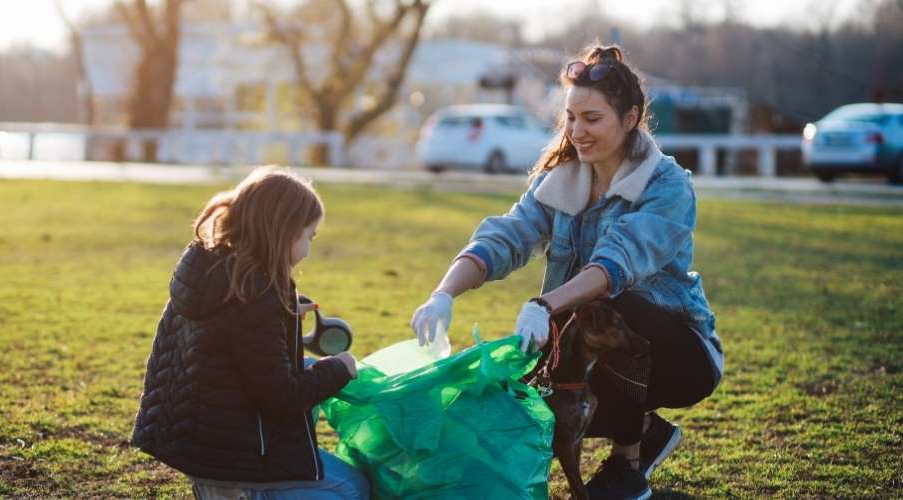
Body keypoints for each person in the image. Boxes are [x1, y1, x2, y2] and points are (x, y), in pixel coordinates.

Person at [410, 44, 724, 500]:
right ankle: (648, 430)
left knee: (606, 302)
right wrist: (443, 293)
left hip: (679, 355)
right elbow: (508, 236)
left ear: (631, 117)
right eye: (571, 118)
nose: (577, 131)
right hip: (590, 340)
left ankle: (627, 464)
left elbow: (616, 264)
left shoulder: (667, 186)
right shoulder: (560, 179)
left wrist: (543, 304)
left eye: (592, 119)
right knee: (528, 397)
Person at [131, 167, 370, 500]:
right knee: (353, 490)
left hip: (200, 447)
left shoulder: (211, 271)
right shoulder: (256, 298)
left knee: (345, 472)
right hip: (231, 463)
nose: (309, 250)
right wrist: (339, 368)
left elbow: (232, 344)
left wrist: (284, 318)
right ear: (284, 233)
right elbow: (281, 398)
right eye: (309, 237)